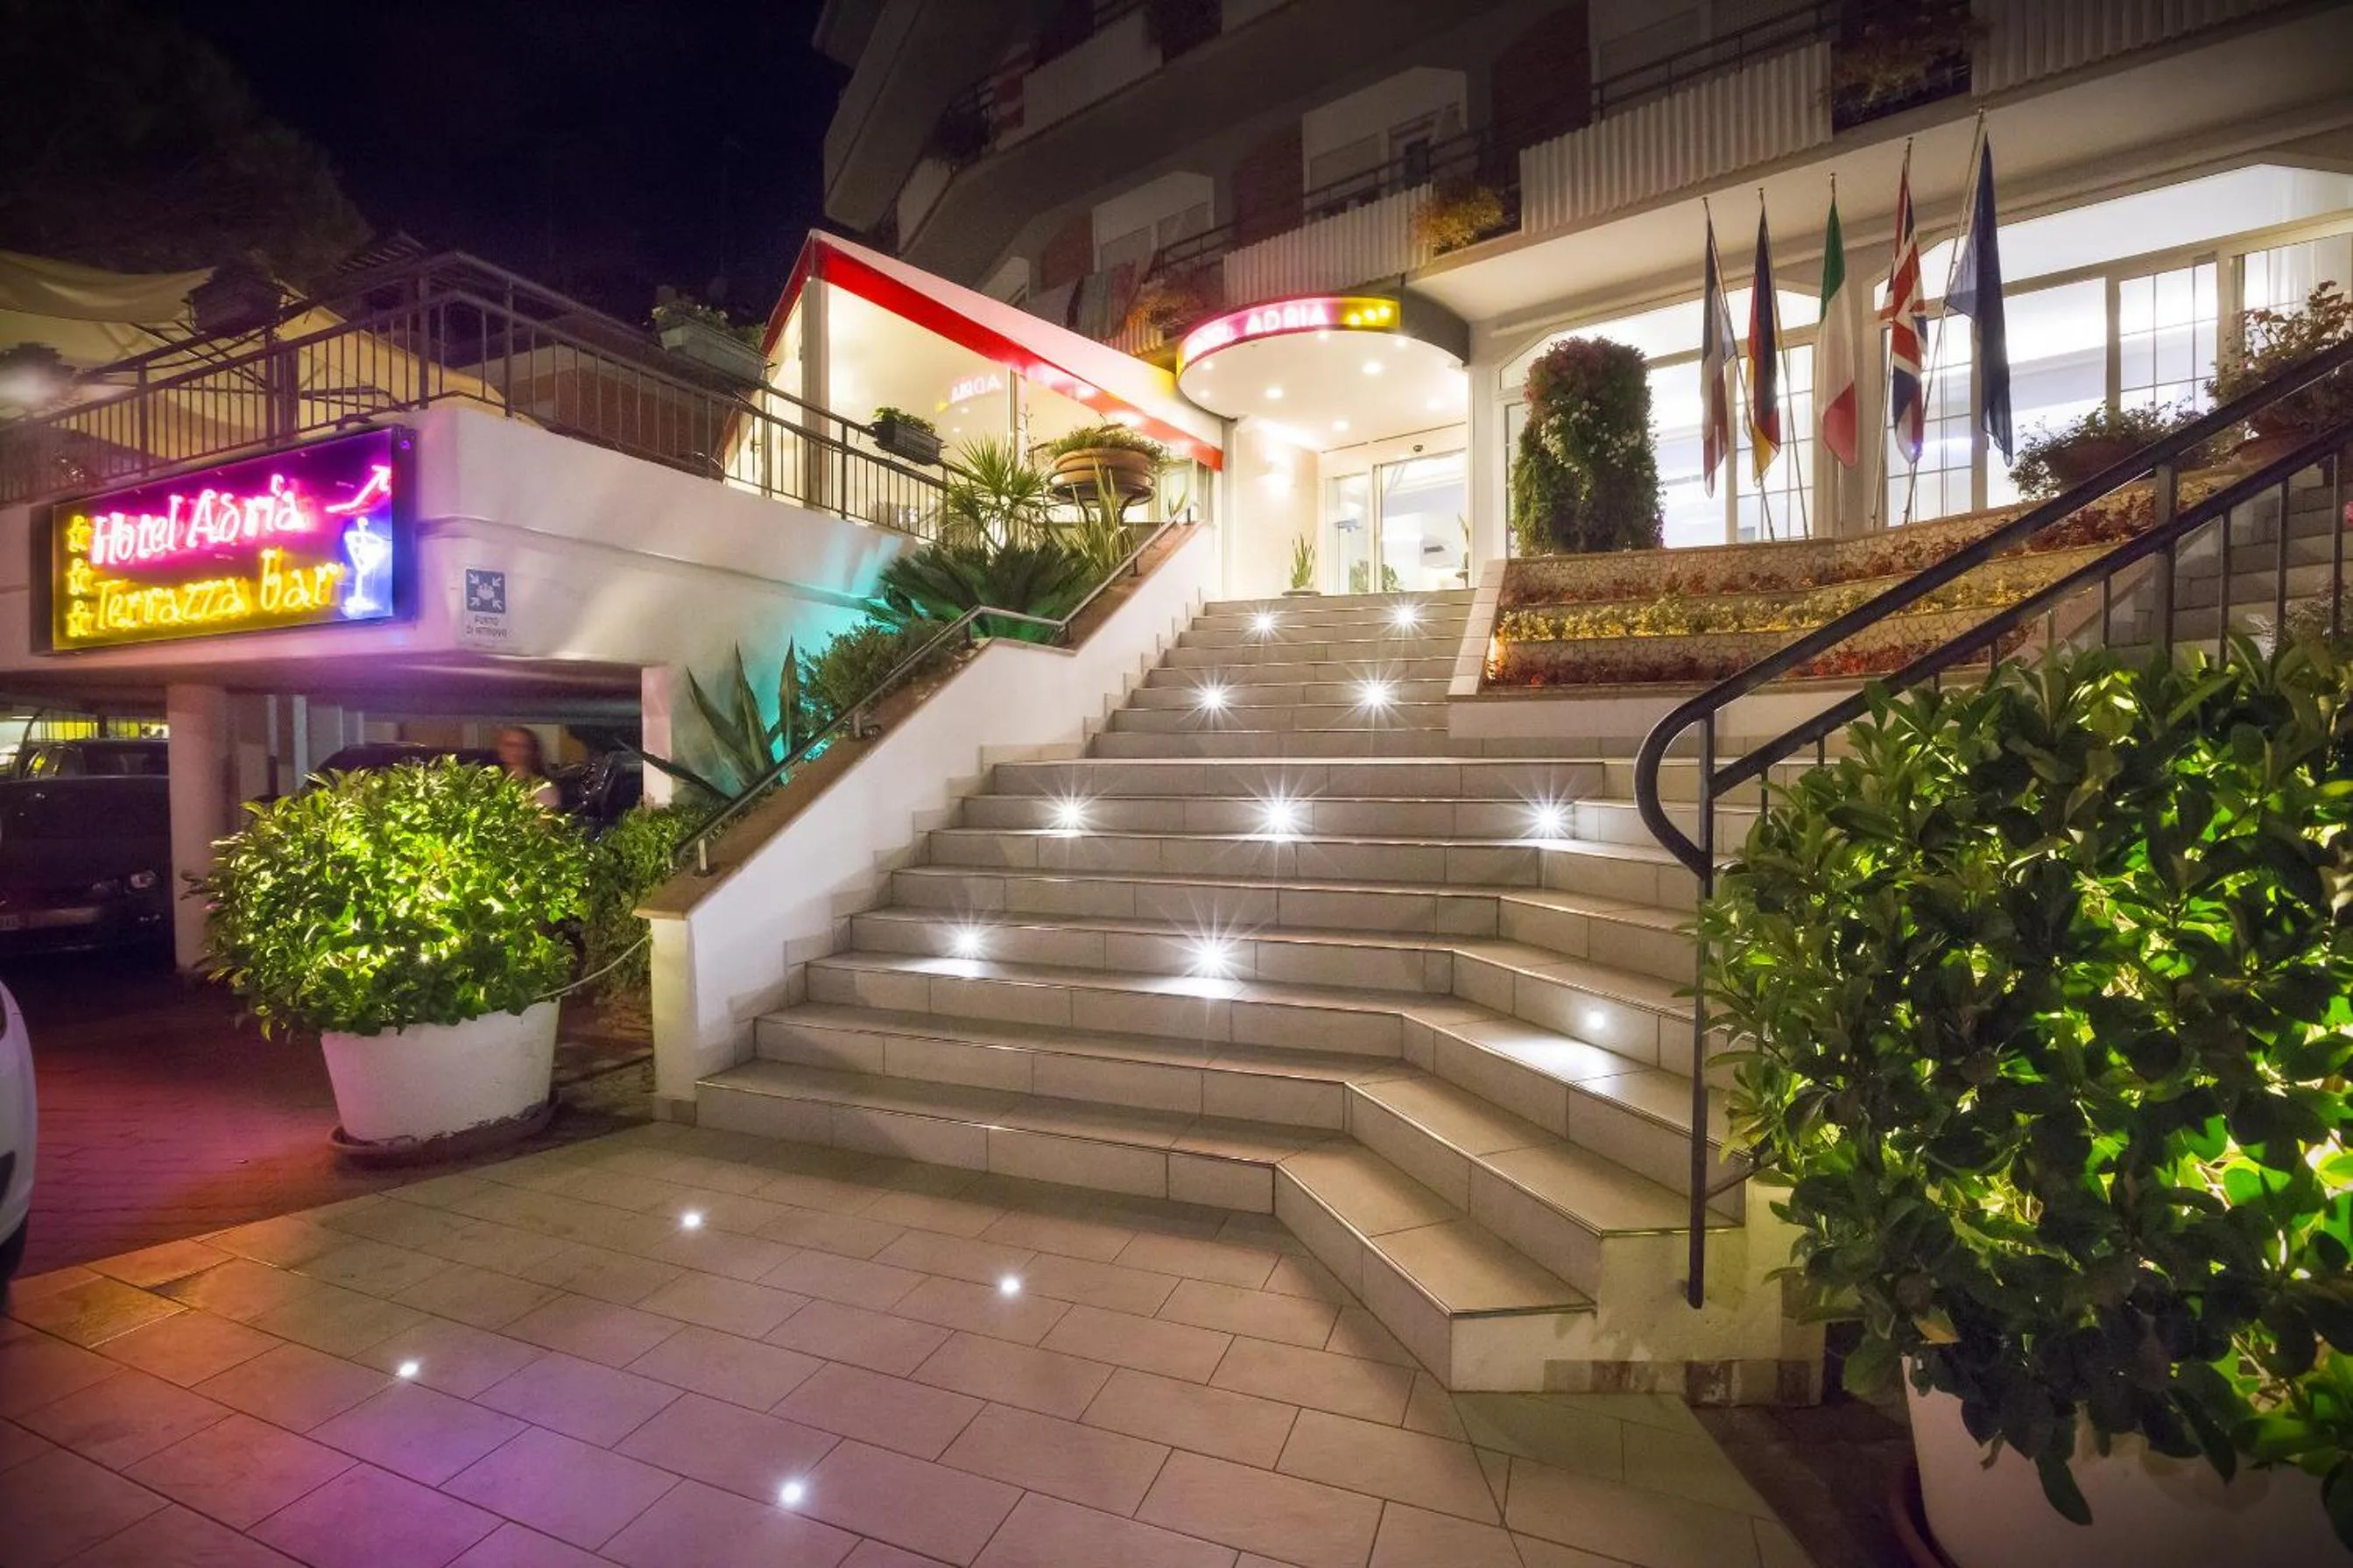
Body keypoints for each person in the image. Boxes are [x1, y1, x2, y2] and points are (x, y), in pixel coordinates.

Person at [497, 727, 561, 809]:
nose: (514, 750)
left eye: (521, 746)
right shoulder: (492, 784)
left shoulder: (543, 788)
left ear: (530, 750)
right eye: (509, 744)